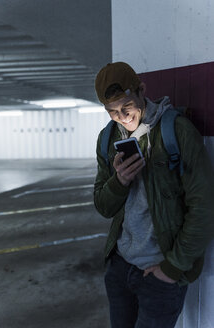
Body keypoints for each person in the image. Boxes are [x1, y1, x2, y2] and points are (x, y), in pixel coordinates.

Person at [93, 62, 214, 328]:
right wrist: (119, 182)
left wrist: (171, 270)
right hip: (120, 266)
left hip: (160, 273)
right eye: (112, 111)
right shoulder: (107, 138)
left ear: (142, 90)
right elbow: (103, 206)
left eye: (127, 106)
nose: (122, 117)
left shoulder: (177, 131)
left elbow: (204, 207)